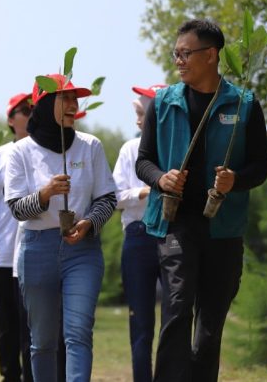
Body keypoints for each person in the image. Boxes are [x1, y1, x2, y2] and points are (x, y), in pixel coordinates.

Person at [136, 19, 267, 381]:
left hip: (223, 229)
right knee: (177, 310)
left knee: (209, 327)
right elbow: (143, 161)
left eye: (185, 53)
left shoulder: (244, 104)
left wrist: (235, 180)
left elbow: (261, 168)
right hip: (175, 222)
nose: (178, 60)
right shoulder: (162, 103)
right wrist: (161, 178)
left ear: (211, 55)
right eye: (175, 53)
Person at [5, 74, 117, 382]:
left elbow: (107, 197)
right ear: (42, 104)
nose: (73, 105)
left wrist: (89, 222)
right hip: (36, 249)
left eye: (75, 98)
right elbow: (16, 209)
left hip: (82, 250)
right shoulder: (19, 152)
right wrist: (45, 194)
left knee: (78, 332)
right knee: (41, 340)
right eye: (64, 98)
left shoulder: (90, 146)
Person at [112, 84, 165, 382]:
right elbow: (115, 197)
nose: (137, 120)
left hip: (173, 235)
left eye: (141, 113)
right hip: (139, 235)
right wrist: (148, 190)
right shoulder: (130, 150)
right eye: (136, 113)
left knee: (175, 319)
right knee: (141, 323)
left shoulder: (178, 148)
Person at [0, 93, 30, 382]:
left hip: (37, 251)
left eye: (35, 109)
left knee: (35, 323)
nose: (31, 114)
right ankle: (10, 375)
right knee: (7, 323)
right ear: (10, 119)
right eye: (24, 110)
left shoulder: (48, 153)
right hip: (3, 253)